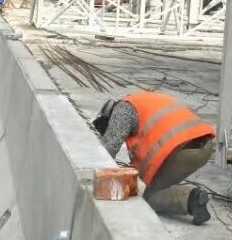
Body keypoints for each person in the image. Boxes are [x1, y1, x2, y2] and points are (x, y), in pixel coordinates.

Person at [92, 91, 215, 224]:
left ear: (109, 117)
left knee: (147, 196)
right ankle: (188, 197)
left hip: (183, 152)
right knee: (153, 184)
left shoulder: (121, 111)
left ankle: (191, 198)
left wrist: (93, 177)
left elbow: (108, 149)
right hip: (205, 146)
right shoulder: (142, 100)